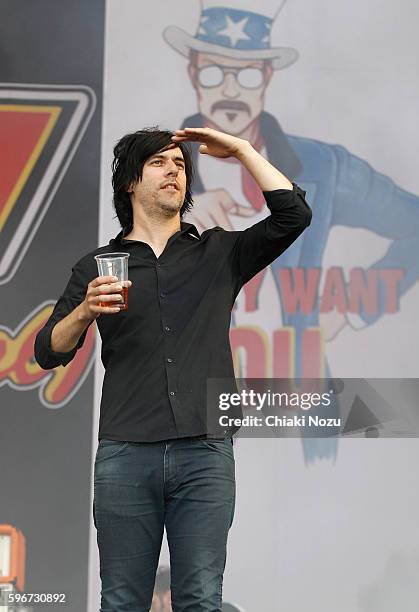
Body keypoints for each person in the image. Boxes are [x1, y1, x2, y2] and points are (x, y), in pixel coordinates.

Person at [34, 125, 312, 611]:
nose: (174, 172)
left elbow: (294, 215)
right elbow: (47, 351)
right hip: (125, 451)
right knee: (121, 601)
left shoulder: (219, 252)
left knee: (201, 599)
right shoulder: (99, 264)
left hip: (204, 449)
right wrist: (84, 311)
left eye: (181, 165)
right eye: (159, 163)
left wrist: (244, 150)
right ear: (130, 182)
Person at [163, 0, 419, 463]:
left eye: (248, 75)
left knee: (316, 503)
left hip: (296, 410)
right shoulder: (156, 171)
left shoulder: (323, 167)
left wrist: (353, 305)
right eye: (216, 73)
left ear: (268, 79)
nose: (232, 90)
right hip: (192, 410)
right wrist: (182, 217)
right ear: (194, 73)